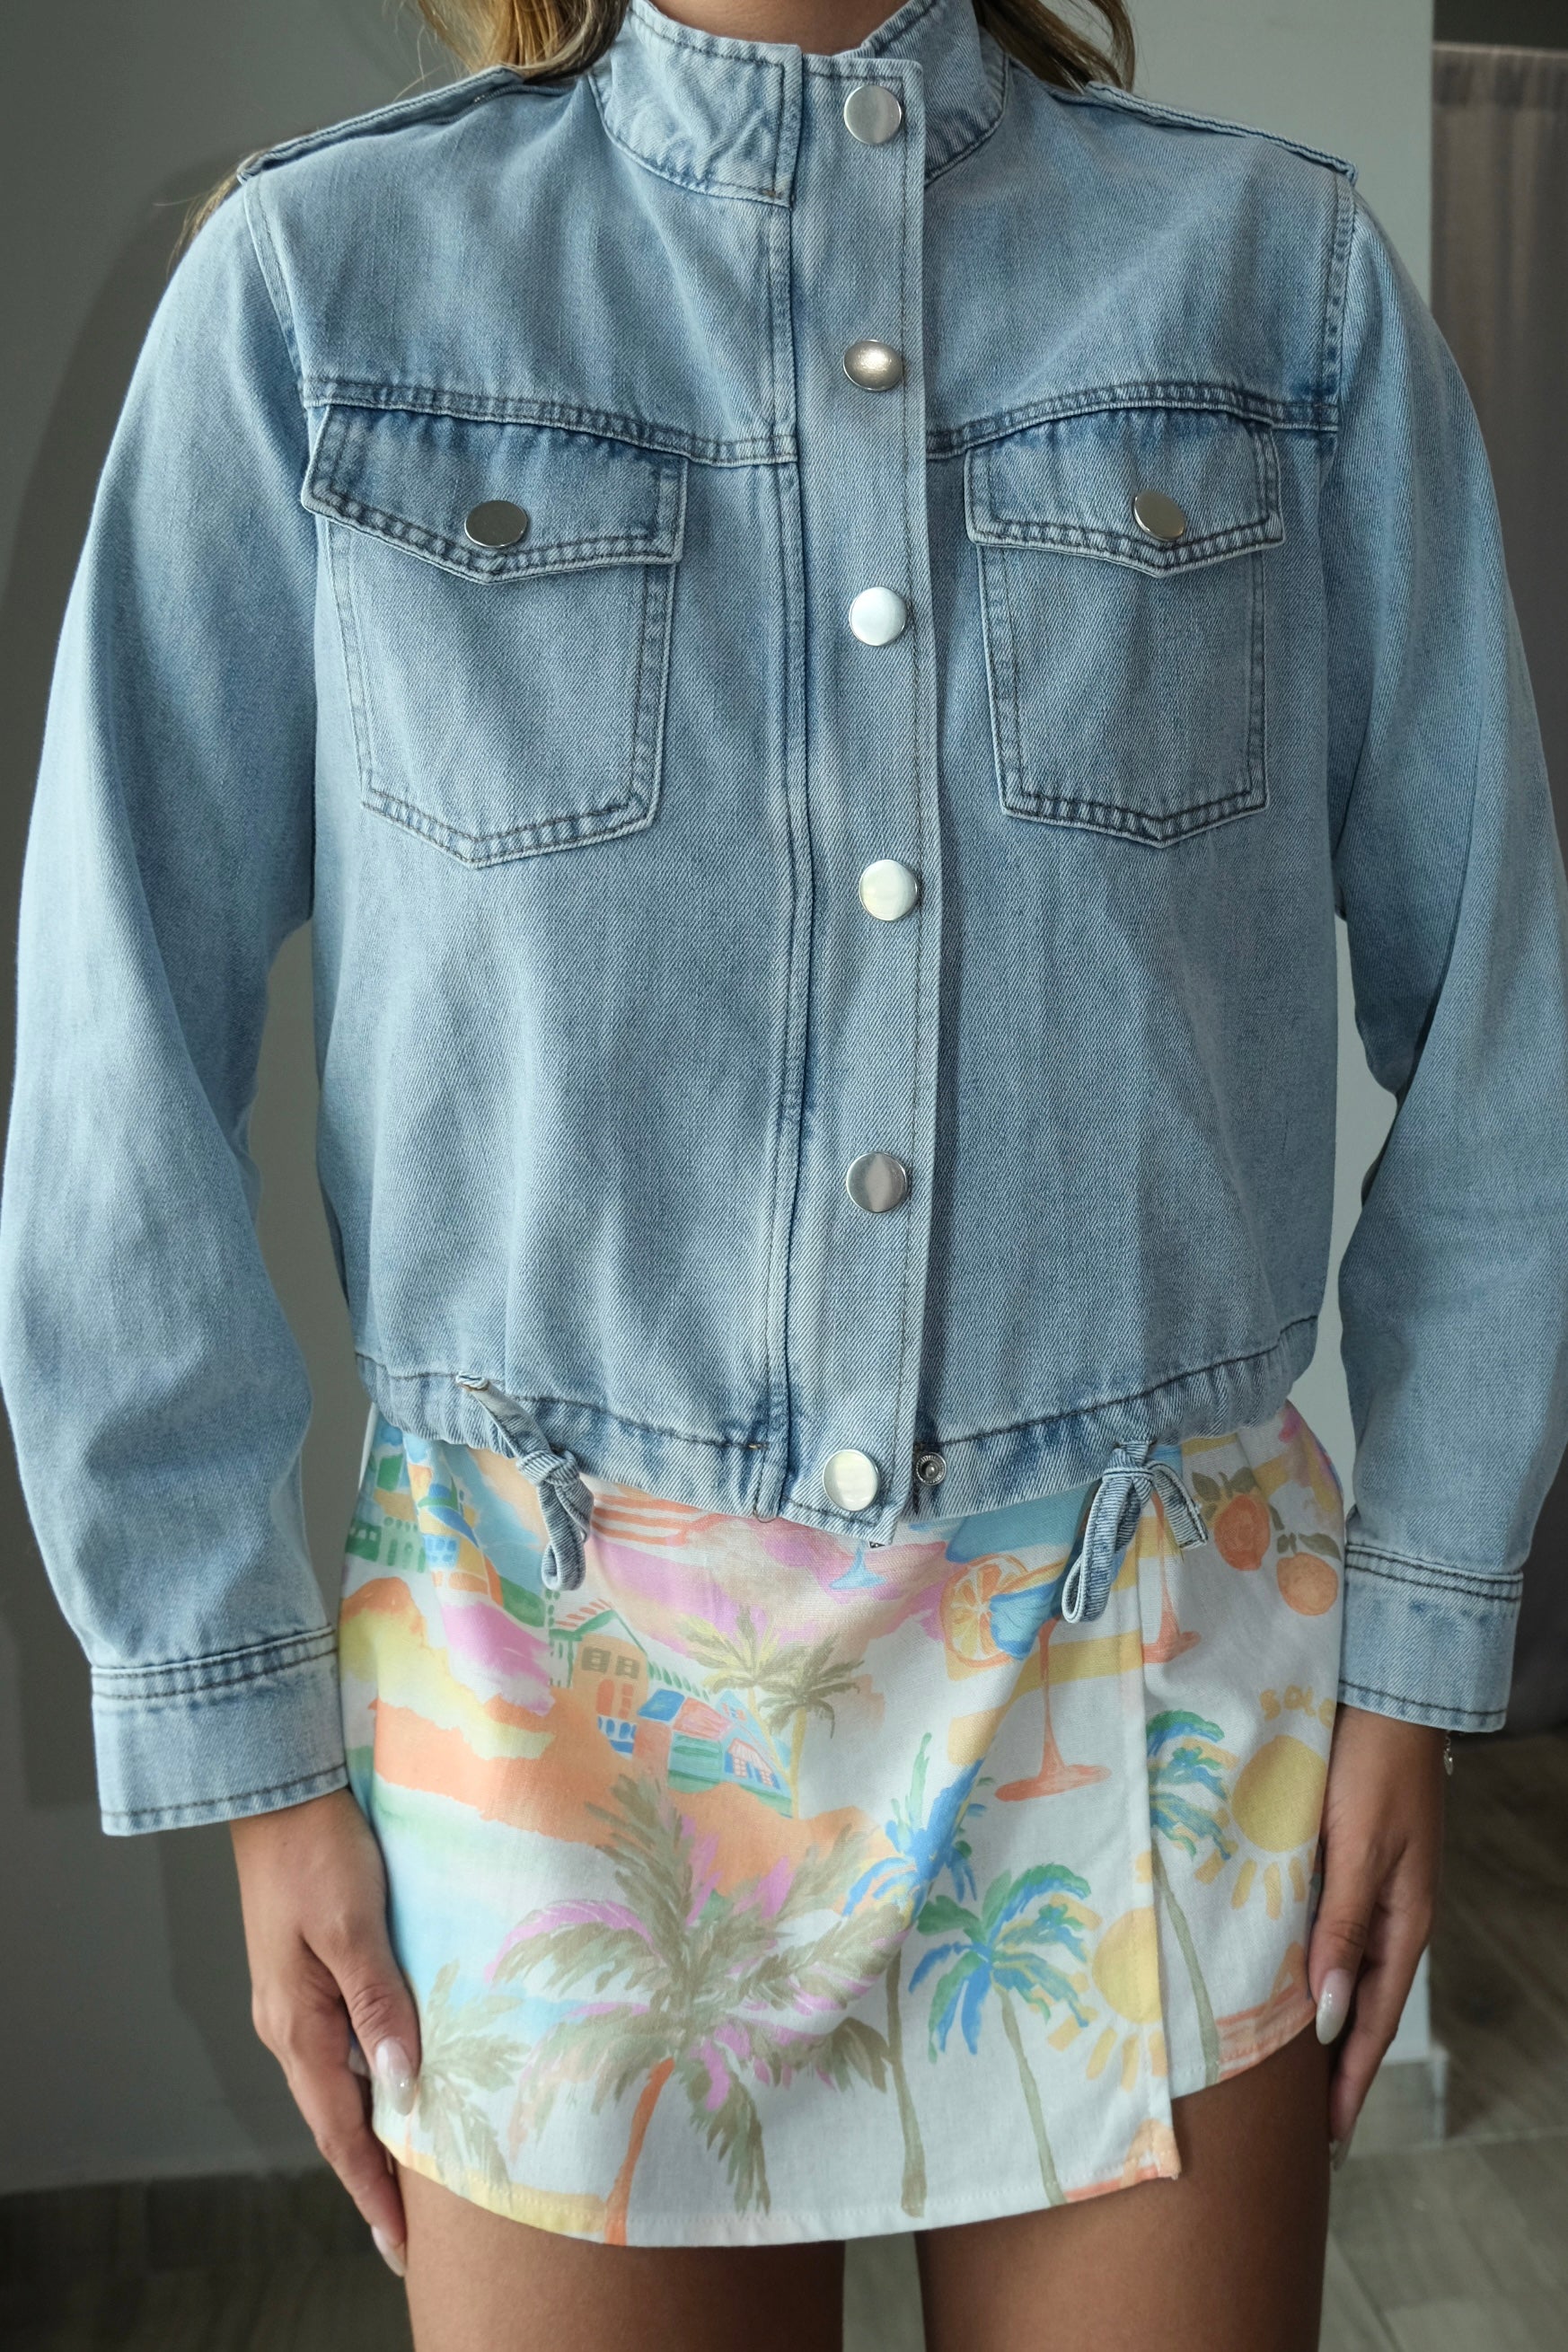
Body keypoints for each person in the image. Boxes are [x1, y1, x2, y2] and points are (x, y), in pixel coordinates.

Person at [3, 0, 1565, 2345]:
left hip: (1148, 1653)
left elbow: (1501, 1013)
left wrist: (1422, 1643)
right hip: (540, 1688)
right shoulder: (323, 293)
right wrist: (242, 1737)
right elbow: (114, 1043)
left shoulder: (1279, 292)